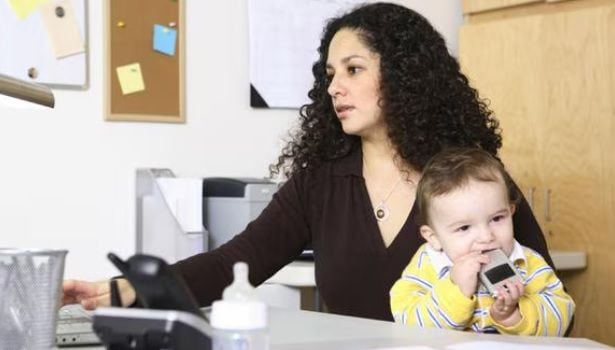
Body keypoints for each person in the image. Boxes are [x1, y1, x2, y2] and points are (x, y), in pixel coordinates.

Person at [62, 2, 553, 322]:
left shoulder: (473, 178)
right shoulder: (320, 182)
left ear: (407, 77)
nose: (334, 87)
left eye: (354, 70)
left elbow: (552, 300)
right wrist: (127, 290)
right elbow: (233, 264)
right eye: (329, 74)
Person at [390, 148, 574, 335]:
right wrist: (456, 289)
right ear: (434, 238)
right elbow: (408, 324)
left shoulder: (528, 263)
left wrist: (514, 316)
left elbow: (561, 316)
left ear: (510, 211)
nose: (486, 237)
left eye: (497, 219)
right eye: (464, 228)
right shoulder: (427, 265)